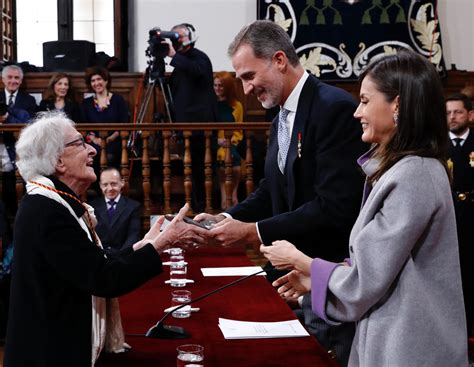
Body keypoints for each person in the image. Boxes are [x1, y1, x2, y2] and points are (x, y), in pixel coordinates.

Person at [261, 50, 468, 366]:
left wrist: (302, 262)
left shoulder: (413, 175)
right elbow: (376, 270)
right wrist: (311, 285)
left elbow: (364, 282)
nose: (357, 112)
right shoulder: (403, 170)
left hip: (408, 350)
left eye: (365, 101)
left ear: (396, 104)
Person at [195, 20, 367, 365]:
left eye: (248, 76)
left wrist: (252, 231)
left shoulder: (332, 108)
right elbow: (269, 190)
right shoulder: (280, 119)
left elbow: (334, 207)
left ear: (278, 60)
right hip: (290, 278)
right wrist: (226, 218)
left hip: (326, 278)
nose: (245, 89)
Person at [4, 111, 208, 366]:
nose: (91, 150)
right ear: (59, 161)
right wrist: (161, 244)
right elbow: (103, 278)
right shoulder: (46, 210)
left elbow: (93, 260)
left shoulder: (51, 202)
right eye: (80, 143)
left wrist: (143, 245)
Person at [167, 23, 217, 212]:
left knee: (202, 170)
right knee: (191, 170)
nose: (175, 40)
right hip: (184, 127)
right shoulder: (181, 62)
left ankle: (205, 207)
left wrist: (173, 56)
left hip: (201, 127)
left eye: (178, 36)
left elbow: (197, 71)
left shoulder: (200, 58)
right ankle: (195, 205)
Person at [446, 92, 474, 339]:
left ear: (470, 115)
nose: (452, 117)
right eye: (447, 113)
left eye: (458, 112)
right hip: (448, 217)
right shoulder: (437, 145)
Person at [0, 64, 38, 219]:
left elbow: (30, 125)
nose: (13, 81)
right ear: (3, 79)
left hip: (19, 153)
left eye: (17, 78)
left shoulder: (28, 101)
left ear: (21, 81)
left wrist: (7, 119)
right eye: (9, 77)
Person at [81, 66, 129, 169]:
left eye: (99, 79)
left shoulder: (118, 100)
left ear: (106, 81)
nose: (96, 83)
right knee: (92, 156)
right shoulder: (86, 103)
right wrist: (94, 139)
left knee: (110, 156)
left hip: (114, 141)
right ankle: (96, 184)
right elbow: (84, 126)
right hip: (93, 142)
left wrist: (110, 139)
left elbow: (124, 123)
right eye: (93, 80)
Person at [90, 167, 141, 257]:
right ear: (100, 185)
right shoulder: (92, 207)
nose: (110, 188)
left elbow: (133, 236)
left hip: (124, 258)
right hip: (99, 258)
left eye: (113, 184)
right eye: (105, 184)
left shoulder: (133, 207)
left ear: (122, 183)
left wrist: (119, 256)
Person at [214, 71, 244, 209]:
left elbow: (239, 129)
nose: (217, 88)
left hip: (231, 142)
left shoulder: (236, 106)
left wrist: (231, 140)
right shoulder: (211, 105)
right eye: (215, 85)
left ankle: (234, 195)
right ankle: (224, 197)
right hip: (215, 143)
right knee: (221, 156)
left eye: (221, 85)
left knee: (234, 158)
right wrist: (218, 140)